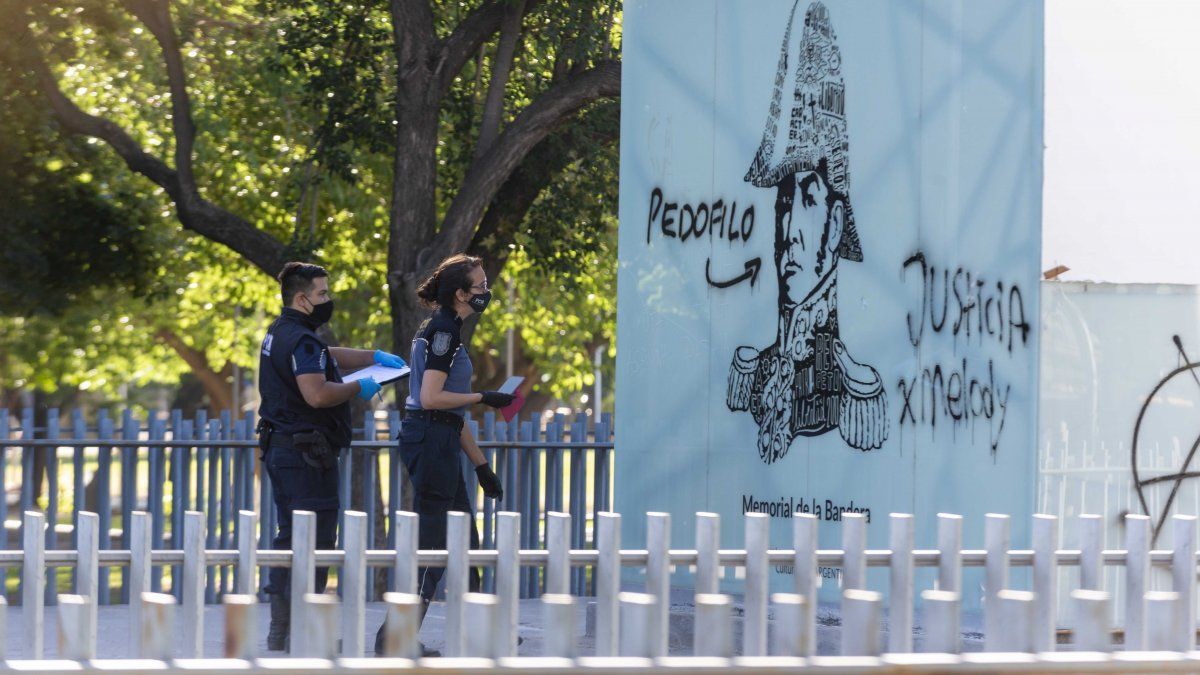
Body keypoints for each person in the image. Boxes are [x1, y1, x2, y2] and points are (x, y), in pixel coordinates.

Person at [726, 0, 887, 461]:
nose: (789, 230)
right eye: (782, 204)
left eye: (809, 200)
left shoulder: (854, 390)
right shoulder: (753, 373)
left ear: (835, 227)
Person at [257, 261, 407, 651]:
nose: (329, 300)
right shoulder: (303, 340)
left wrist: (371, 355)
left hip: (282, 448)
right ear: (302, 298)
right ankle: (308, 633)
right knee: (316, 542)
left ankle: (282, 630)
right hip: (307, 455)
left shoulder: (281, 331)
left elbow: (325, 356)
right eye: (323, 294)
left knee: (290, 538)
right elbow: (317, 393)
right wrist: (358, 388)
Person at [373, 253, 513, 656]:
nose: (486, 291)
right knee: (435, 544)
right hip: (430, 439)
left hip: (440, 436)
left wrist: (481, 466)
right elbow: (433, 398)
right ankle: (394, 640)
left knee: (464, 541)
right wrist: (484, 396)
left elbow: (449, 412)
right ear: (460, 293)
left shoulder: (446, 328)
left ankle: (484, 633)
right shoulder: (443, 332)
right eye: (481, 286)